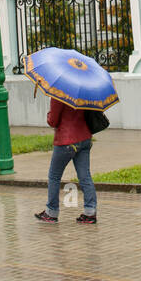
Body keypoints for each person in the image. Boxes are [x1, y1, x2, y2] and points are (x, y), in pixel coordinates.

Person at [35, 96, 98, 224]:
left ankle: (51, 212)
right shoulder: (83, 89)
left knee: (54, 176)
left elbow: (53, 120)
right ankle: (90, 212)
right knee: (85, 176)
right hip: (84, 137)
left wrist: (49, 115)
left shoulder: (59, 93)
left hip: (66, 140)